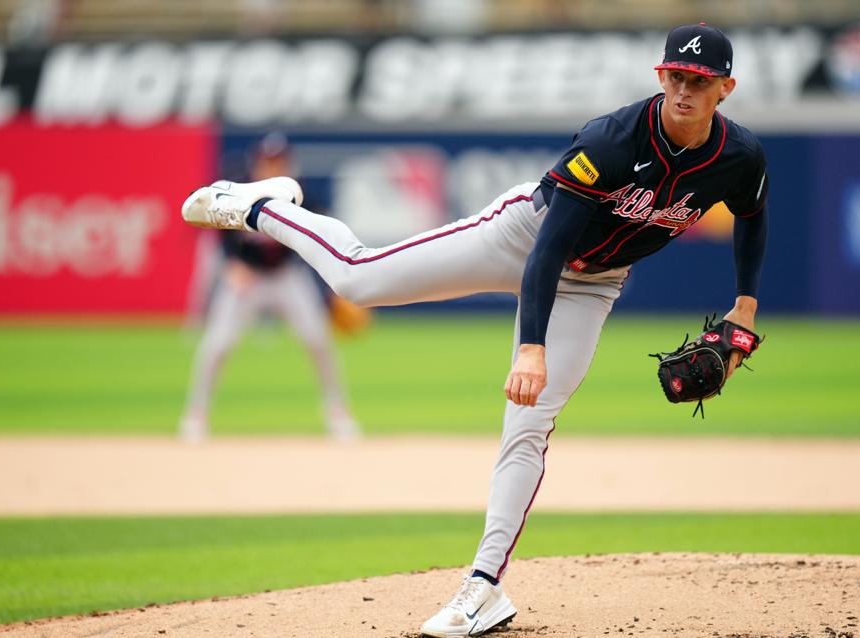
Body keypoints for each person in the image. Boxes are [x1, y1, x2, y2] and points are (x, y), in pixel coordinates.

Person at [181, 23, 768, 637]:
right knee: (359, 280)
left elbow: (753, 216)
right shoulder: (614, 139)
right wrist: (531, 348)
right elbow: (546, 252)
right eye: (675, 76)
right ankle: (264, 206)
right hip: (521, 236)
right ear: (659, 77)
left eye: (699, 81)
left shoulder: (740, 155)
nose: (684, 90)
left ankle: (483, 589)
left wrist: (744, 310)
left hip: (594, 282)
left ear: (725, 88)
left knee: (531, 422)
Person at [180, 133, 362, 443]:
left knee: (318, 342)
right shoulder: (239, 192)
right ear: (258, 162)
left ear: (288, 162)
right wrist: (232, 263)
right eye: (268, 160)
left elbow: (320, 242)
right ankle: (196, 416)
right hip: (246, 278)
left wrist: (329, 295)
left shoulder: (301, 194)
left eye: (279, 160)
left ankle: (338, 413)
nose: (273, 165)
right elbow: (217, 231)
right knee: (217, 346)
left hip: (286, 277)